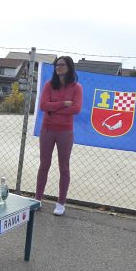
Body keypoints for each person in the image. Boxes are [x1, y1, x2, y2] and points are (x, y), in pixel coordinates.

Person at [35, 56, 82, 216]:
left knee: (64, 167)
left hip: (65, 132)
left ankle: (61, 203)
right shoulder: (49, 85)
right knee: (44, 165)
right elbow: (43, 105)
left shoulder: (77, 88)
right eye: (57, 65)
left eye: (62, 65)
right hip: (47, 130)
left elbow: (76, 109)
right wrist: (63, 104)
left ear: (69, 67)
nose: (58, 67)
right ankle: (37, 199)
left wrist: (52, 108)